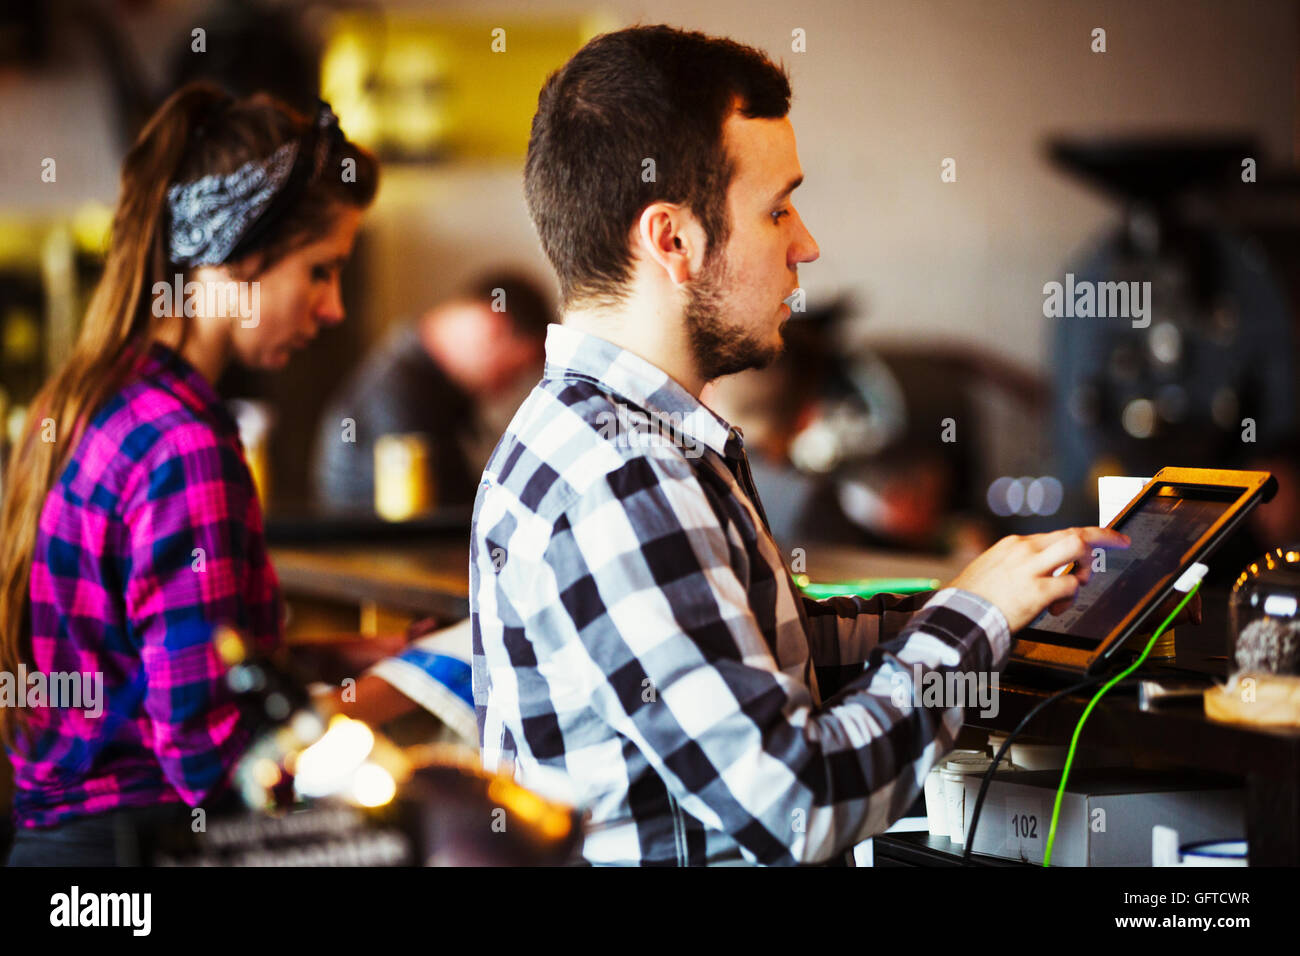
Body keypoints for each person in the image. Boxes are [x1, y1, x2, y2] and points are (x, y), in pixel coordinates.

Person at [469, 25, 1131, 866]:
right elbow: (795, 802)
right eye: (778, 207)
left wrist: (985, 599)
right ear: (672, 240)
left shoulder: (585, 430)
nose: (806, 245)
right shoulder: (624, 472)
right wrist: (979, 617)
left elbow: (754, 645)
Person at [0, 83, 378, 865]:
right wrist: (404, 694)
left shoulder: (94, 401)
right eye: (319, 271)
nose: (333, 307)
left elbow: (187, 660)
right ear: (239, 258)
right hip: (132, 857)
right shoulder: (184, 448)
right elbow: (212, 751)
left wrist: (368, 658)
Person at [312, 274, 551, 513]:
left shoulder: (419, 382)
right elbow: (453, 519)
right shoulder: (400, 400)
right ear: (494, 329)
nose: (509, 388)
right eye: (516, 372)